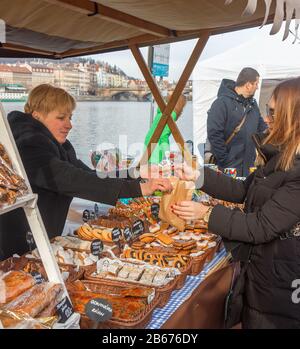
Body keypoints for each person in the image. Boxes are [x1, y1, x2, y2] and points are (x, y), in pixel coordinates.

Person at [172, 77, 300, 329]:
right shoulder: (282, 158)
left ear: (291, 117)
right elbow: (244, 189)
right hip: (265, 271)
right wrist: (199, 176)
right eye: (267, 110)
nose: (266, 118)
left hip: (282, 282)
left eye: (272, 112)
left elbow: (260, 226)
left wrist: (206, 214)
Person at [0, 84, 172, 260]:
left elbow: (89, 173)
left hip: (42, 240)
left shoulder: (59, 146)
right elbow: (75, 180)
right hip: (18, 245)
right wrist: (140, 190)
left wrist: (137, 173)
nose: (69, 125)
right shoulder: (27, 145)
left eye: (70, 117)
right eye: (61, 118)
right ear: (37, 116)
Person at [207, 67, 267, 177]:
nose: (257, 87)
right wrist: (225, 159)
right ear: (248, 85)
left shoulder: (253, 106)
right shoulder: (221, 103)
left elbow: (262, 129)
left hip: (249, 166)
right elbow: (214, 134)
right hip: (228, 168)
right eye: (256, 84)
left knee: (247, 194)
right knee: (227, 194)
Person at [144, 94, 186, 164]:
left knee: (148, 166)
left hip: (149, 140)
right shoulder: (172, 114)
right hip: (156, 144)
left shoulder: (163, 111)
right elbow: (164, 135)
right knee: (154, 169)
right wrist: (167, 153)